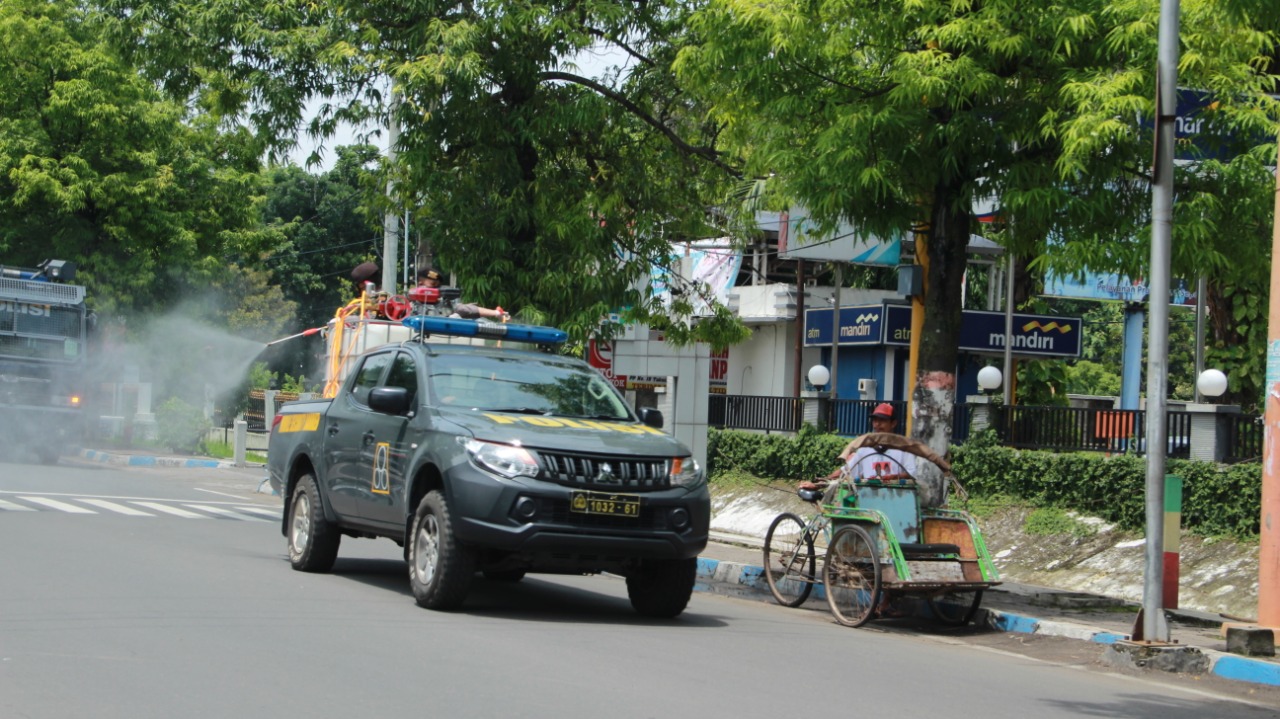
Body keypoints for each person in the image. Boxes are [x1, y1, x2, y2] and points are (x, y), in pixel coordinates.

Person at [799, 403, 916, 491]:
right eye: (875, 420)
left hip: (896, 499)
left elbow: (912, 474)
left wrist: (890, 478)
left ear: (893, 423)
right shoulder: (865, 449)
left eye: (882, 420)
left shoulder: (904, 448)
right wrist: (819, 484)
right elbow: (845, 471)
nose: (877, 424)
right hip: (868, 502)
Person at [416, 268, 508, 320]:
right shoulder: (411, 305)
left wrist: (496, 313)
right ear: (420, 283)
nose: (435, 289)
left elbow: (465, 309)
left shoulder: (445, 304)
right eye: (432, 285)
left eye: (437, 286)